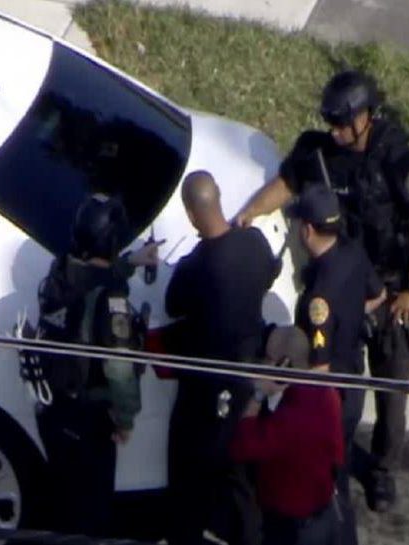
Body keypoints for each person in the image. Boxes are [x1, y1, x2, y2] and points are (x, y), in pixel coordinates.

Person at [235, 69, 409, 511]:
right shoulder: (321, 153)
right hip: (343, 288)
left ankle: (382, 471)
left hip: (390, 291)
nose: (337, 130)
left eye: (345, 121)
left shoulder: (396, 159)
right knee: (334, 383)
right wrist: (247, 214)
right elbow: (286, 184)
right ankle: (335, 454)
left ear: (367, 116)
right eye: (332, 121)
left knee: (392, 390)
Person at [165, 170, 279, 545]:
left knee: (187, 475)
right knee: (240, 478)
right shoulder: (254, 242)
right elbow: (269, 271)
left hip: (205, 387)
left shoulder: (196, 267)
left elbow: (172, 304)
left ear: (191, 213)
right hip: (248, 379)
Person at [34, 193, 155, 537]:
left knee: (66, 504)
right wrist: (126, 419)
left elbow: (92, 277)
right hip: (89, 418)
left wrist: (131, 262)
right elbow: (119, 369)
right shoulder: (112, 301)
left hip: (54, 407)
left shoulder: (59, 271)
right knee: (93, 514)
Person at [289, 185, 386, 545]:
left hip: (333, 398)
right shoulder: (354, 253)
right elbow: (378, 295)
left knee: (328, 485)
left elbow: (319, 369)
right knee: (338, 473)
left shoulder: (319, 298)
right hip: (354, 385)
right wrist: (349, 319)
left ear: (308, 229)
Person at [230, 325, 344, 545]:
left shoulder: (290, 417)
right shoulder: (327, 394)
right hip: (324, 513)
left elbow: (241, 446)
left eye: (269, 359)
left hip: (293, 529)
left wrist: (258, 393)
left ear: (283, 364)